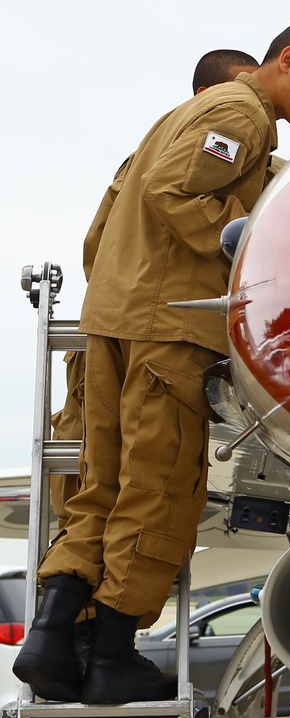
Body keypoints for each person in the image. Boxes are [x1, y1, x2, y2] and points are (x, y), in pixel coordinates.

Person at [15, 22, 290, 706]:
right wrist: (260, 242)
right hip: (167, 330)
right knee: (160, 487)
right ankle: (109, 654)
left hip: (118, 319)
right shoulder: (238, 111)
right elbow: (181, 194)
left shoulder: (188, 116)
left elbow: (116, 220)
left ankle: (53, 638)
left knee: (99, 491)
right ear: (286, 60)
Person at [50, 49, 258, 528]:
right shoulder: (201, 147)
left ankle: (76, 594)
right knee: (129, 491)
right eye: (243, 87)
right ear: (209, 99)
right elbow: (101, 251)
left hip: (119, 328)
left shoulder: (149, 159)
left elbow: (97, 249)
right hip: (154, 335)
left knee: (110, 496)